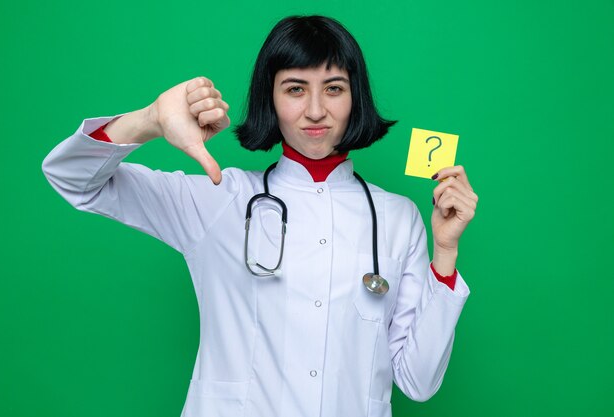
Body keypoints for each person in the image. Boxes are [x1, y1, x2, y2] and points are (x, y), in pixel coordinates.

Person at [42, 15, 478, 417]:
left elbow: (417, 383)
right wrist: (150, 120)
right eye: (294, 88)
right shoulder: (219, 199)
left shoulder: (397, 218)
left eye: (333, 88)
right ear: (269, 97)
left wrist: (445, 252)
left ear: (355, 96)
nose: (314, 111)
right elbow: (71, 177)